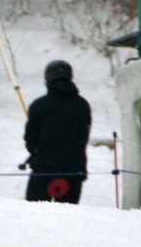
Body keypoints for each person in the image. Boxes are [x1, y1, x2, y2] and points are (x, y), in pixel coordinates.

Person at [22, 60, 91, 203]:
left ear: (48, 78)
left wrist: (36, 151)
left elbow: (30, 138)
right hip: (74, 170)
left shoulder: (39, 105)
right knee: (67, 216)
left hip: (43, 169)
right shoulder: (83, 105)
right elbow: (83, 136)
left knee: (35, 214)